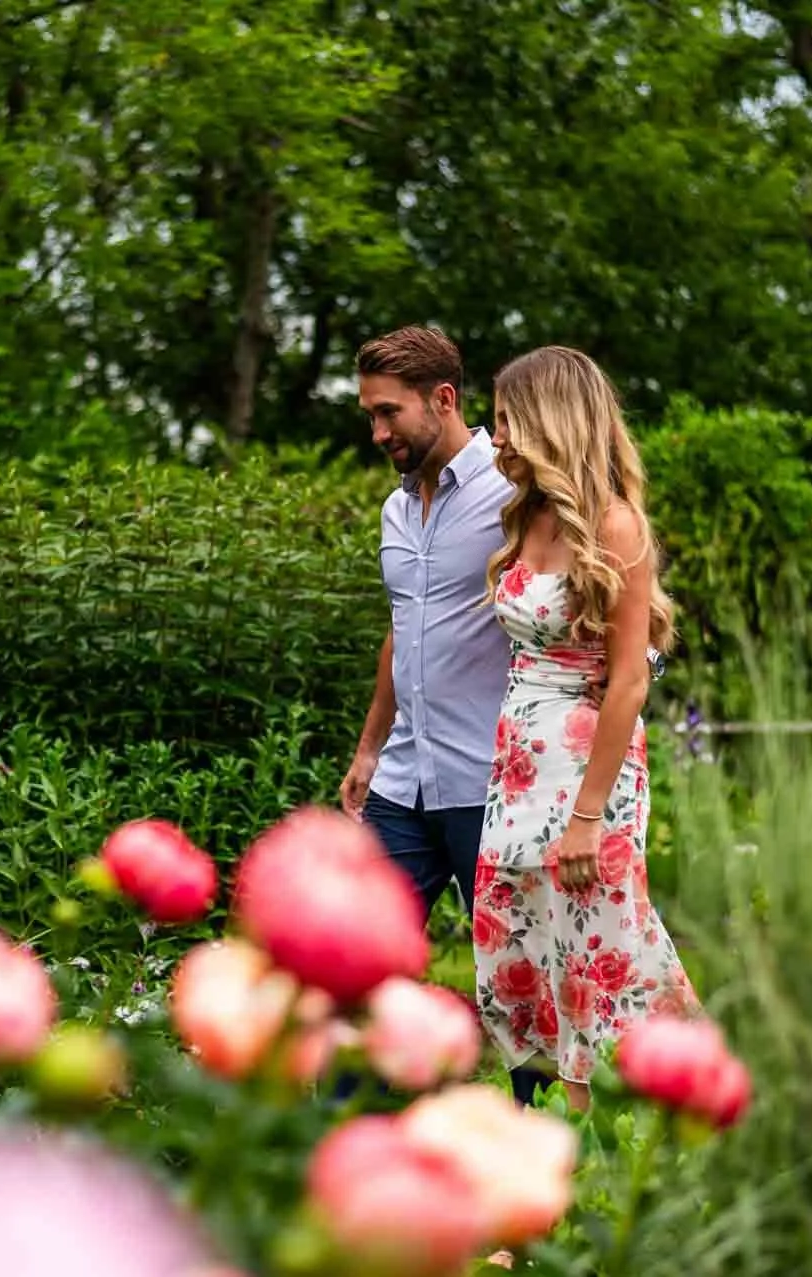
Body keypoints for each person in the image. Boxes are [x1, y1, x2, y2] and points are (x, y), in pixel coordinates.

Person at [472, 345, 697, 1113]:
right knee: (519, 940)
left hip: (585, 773)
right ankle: (545, 1134)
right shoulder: (530, 512)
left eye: (504, 419)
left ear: (545, 420)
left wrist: (588, 817)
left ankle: (610, 1135)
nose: (494, 435)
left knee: (589, 948)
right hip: (517, 768)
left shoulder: (615, 524)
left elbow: (630, 676)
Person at [338, 324, 552, 1104]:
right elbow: (405, 629)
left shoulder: (517, 493)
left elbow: (585, 610)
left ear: (445, 399)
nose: (378, 431)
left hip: (491, 785)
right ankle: (342, 1135)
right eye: (370, 414)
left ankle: (536, 1144)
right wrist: (369, 749)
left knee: (516, 978)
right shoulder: (398, 510)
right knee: (358, 964)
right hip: (402, 783)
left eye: (389, 412)